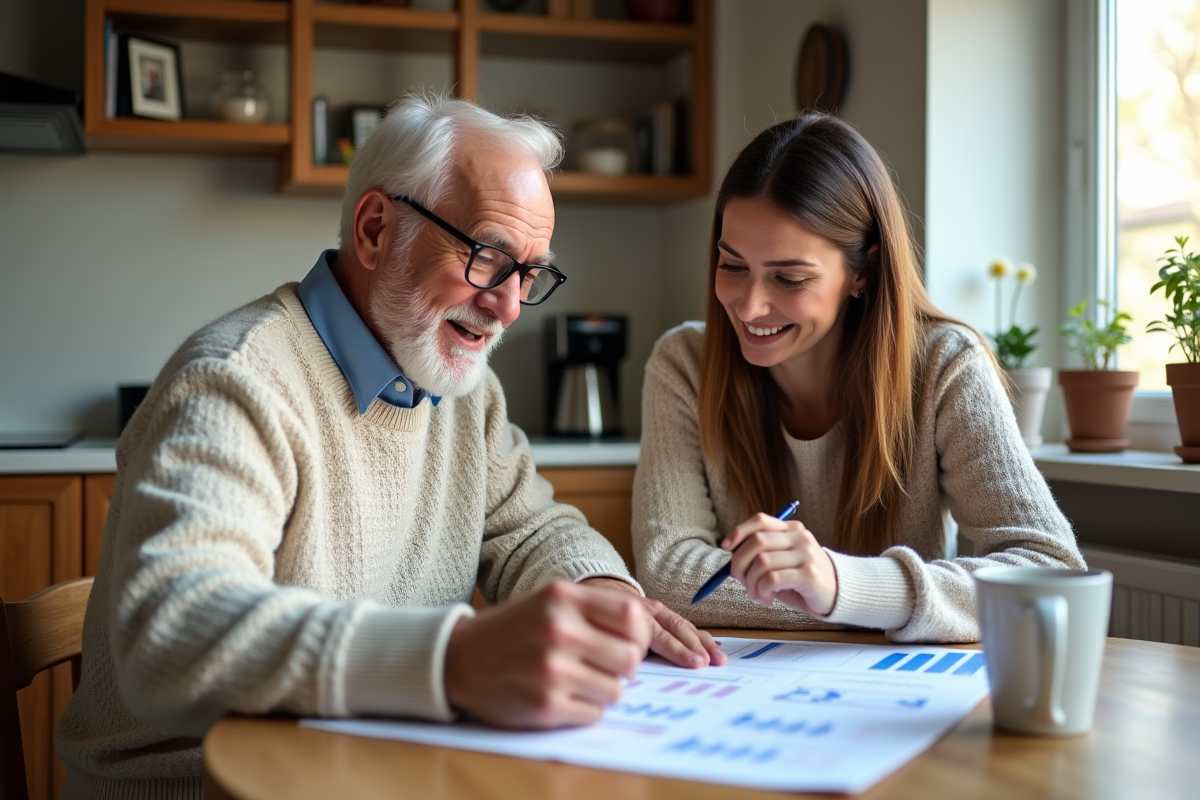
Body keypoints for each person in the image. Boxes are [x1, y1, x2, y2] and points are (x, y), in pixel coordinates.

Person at [57, 93, 724, 799]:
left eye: (528, 274)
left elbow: (531, 529)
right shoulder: (235, 382)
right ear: (376, 229)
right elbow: (172, 636)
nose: (505, 306)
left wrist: (603, 593)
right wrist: (453, 661)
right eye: (488, 257)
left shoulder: (461, 389)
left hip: (367, 771)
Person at [632, 113, 1084, 642]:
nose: (749, 305)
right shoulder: (684, 362)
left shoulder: (945, 365)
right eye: (732, 266)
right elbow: (669, 574)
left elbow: (1052, 574)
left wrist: (843, 585)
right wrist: (854, 601)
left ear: (863, 271)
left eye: (790, 277)